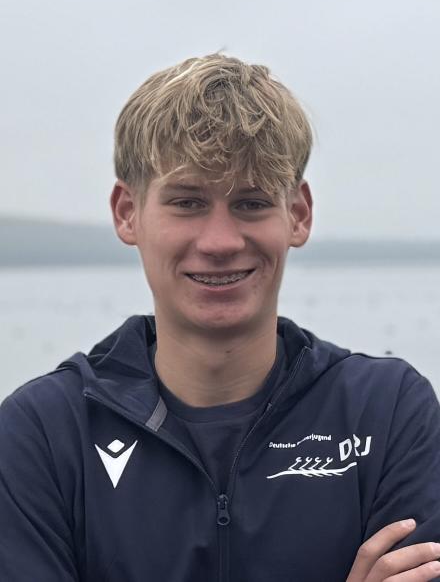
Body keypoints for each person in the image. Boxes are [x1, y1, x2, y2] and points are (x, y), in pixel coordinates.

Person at [1, 54, 440, 582]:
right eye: (187, 203)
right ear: (127, 212)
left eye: (251, 203)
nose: (220, 242)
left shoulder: (386, 414)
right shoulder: (44, 434)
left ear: (298, 214)